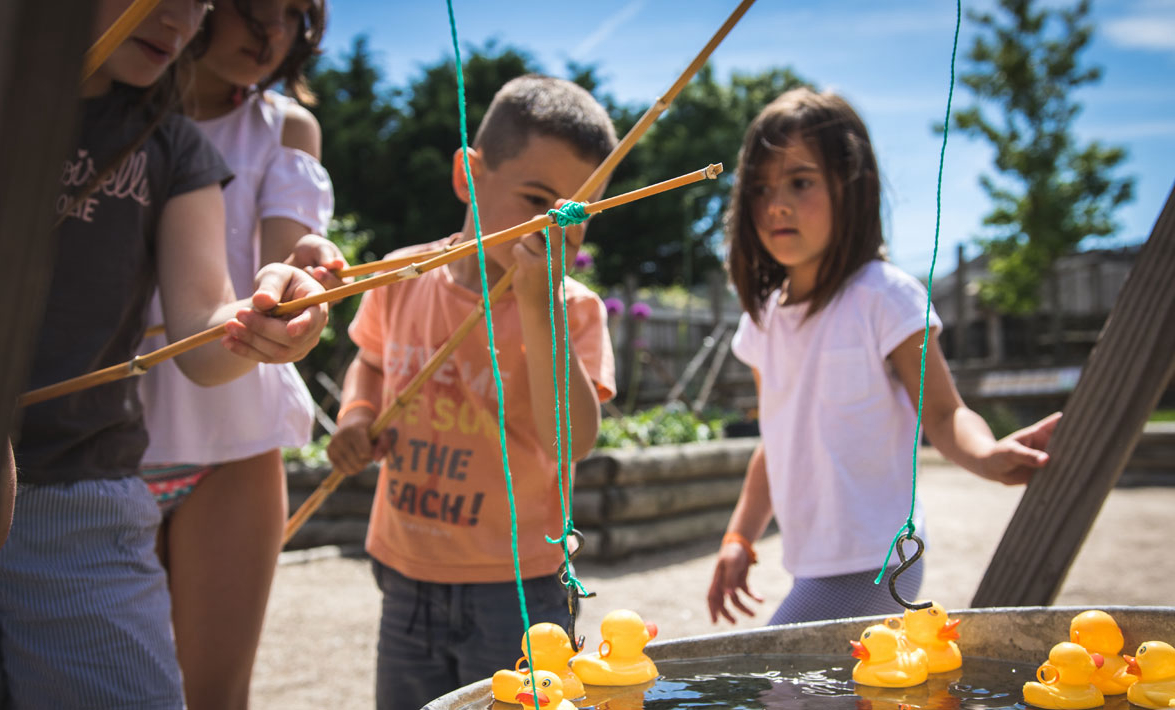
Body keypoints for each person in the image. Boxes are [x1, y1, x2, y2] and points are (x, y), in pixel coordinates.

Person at [0, 1, 329, 707]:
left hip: (84, 494)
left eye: (196, 0)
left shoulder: (175, 146)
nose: (177, 18)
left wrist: (264, 317)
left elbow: (203, 329)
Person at [705, 87, 1062, 627]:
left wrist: (987, 455)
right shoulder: (763, 320)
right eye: (759, 188)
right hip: (811, 567)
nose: (775, 203)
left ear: (851, 186)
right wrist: (739, 537)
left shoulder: (885, 297)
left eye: (800, 181)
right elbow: (773, 443)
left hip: (879, 565)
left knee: (771, 674)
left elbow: (943, 413)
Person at [326, 74, 618, 709]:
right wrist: (357, 414)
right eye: (537, 199)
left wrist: (540, 308)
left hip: (520, 585)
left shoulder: (573, 310)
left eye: (578, 214)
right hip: (406, 567)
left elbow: (571, 441)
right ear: (469, 175)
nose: (555, 228)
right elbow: (369, 362)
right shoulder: (402, 276)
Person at [134, 0, 338, 705]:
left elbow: (278, 271)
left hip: (234, 443)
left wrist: (295, 288)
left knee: (215, 696)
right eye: (254, 8)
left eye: (294, 14)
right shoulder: (103, 109)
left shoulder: (286, 127)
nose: (273, 33)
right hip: (100, 442)